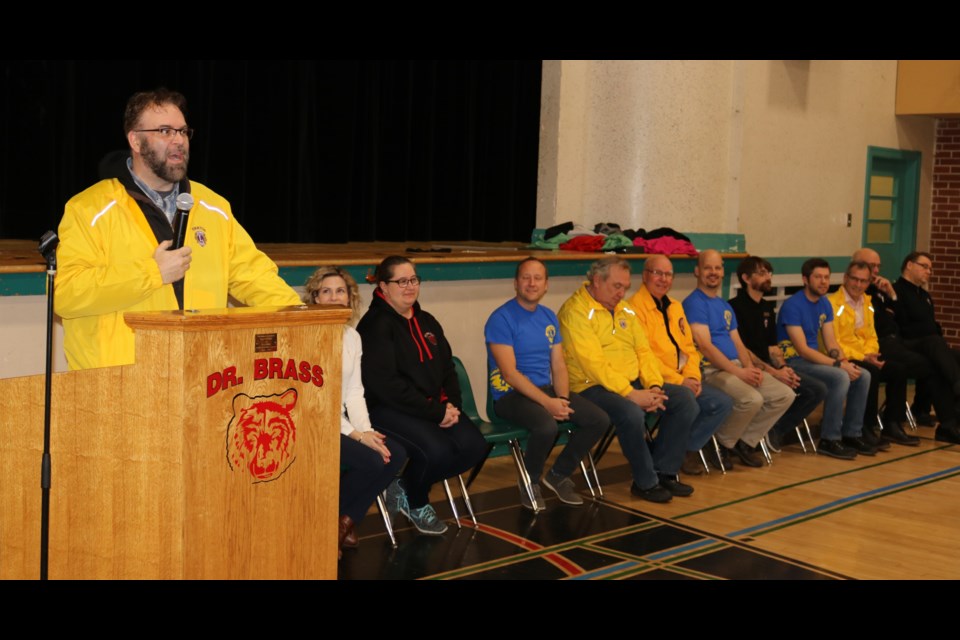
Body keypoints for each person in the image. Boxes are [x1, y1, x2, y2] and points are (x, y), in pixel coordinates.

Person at [55, 88, 300, 370]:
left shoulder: (213, 207)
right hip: (119, 384)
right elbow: (66, 295)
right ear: (135, 140)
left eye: (183, 132)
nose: (178, 141)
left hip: (200, 375)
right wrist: (151, 273)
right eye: (165, 131)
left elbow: (255, 278)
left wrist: (304, 316)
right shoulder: (90, 209)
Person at [357, 256, 487, 534]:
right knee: (437, 451)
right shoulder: (375, 325)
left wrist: (451, 406)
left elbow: (447, 368)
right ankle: (417, 502)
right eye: (401, 281)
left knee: (474, 446)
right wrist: (435, 413)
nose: (409, 286)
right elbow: (386, 386)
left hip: (432, 408)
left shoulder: (427, 320)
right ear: (383, 286)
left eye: (413, 280)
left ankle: (403, 485)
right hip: (387, 409)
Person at [558, 257, 699, 503]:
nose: (622, 293)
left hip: (629, 382)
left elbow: (644, 352)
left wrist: (654, 385)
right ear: (597, 281)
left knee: (684, 399)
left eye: (625, 287)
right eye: (616, 286)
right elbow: (593, 364)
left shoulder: (626, 310)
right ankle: (645, 483)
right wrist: (631, 394)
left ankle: (664, 471)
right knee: (632, 413)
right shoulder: (576, 311)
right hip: (590, 386)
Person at [485, 257, 610, 511]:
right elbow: (509, 374)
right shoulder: (501, 318)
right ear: (516, 283)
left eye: (537, 278)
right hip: (510, 396)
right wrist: (548, 404)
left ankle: (558, 474)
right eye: (526, 278)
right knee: (546, 425)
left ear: (546, 285)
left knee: (599, 419)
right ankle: (529, 481)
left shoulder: (549, 317)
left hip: (546, 392)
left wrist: (562, 400)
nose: (531, 283)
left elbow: (559, 366)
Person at [303, 266, 407, 559]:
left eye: (340, 291)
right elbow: (316, 400)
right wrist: (357, 435)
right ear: (315, 299)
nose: (334, 297)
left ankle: (340, 524)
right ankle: (334, 525)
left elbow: (354, 392)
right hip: (312, 425)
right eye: (326, 291)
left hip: (342, 425)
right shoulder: (307, 337)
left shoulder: (352, 337)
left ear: (349, 299)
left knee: (393, 454)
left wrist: (367, 431)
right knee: (372, 463)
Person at [682, 250, 794, 466]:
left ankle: (743, 441)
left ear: (723, 272)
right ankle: (722, 445)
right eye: (707, 268)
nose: (713, 273)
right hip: (712, 371)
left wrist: (750, 368)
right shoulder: (694, 303)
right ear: (697, 271)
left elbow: (738, 343)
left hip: (735, 367)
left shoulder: (725, 306)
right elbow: (705, 347)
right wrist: (740, 372)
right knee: (751, 399)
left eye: (717, 268)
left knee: (784, 395)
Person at [628, 255, 734, 473]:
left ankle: (680, 450)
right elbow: (645, 358)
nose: (663, 279)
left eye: (668, 274)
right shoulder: (633, 309)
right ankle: (665, 467)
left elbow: (689, 349)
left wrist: (693, 377)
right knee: (687, 403)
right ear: (645, 275)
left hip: (684, 378)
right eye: (658, 273)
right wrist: (680, 381)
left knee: (721, 403)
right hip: (651, 380)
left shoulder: (675, 306)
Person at [728, 256, 827, 452]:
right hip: (746, 365)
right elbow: (744, 351)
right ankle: (748, 439)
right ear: (746, 278)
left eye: (769, 273)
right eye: (762, 273)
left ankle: (775, 429)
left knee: (816, 389)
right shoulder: (734, 307)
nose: (768, 278)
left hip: (769, 366)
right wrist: (775, 373)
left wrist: (783, 368)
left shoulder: (766, 308)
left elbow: (772, 347)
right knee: (786, 392)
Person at [776, 258, 872, 459]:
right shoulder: (793, 305)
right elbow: (802, 350)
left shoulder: (824, 305)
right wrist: (838, 366)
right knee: (840, 377)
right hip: (794, 361)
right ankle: (829, 439)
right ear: (805, 279)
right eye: (818, 277)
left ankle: (851, 433)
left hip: (813, 360)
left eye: (826, 277)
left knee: (863, 375)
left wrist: (844, 362)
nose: (823, 282)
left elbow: (831, 343)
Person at [823, 261, 896, 451]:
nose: (858, 285)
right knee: (869, 371)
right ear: (846, 278)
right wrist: (863, 358)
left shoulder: (867, 303)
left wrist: (871, 353)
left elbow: (871, 334)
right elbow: (835, 341)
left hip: (863, 354)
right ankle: (862, 427)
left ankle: (890, 424)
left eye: (864, 281)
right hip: (841, 355)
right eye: (854, 279)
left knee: (897, 368)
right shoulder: (832, 304)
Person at [892, 251, 960, 443]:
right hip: (907, 344)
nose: (929, 271)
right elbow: (902, 325)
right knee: (935, 344)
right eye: (924, 266)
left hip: (929, 346)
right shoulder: (896, 291)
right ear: (909, 265)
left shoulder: (925, 295)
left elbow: (931, 325)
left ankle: (948, 425)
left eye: (930, 268)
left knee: (947, 360)